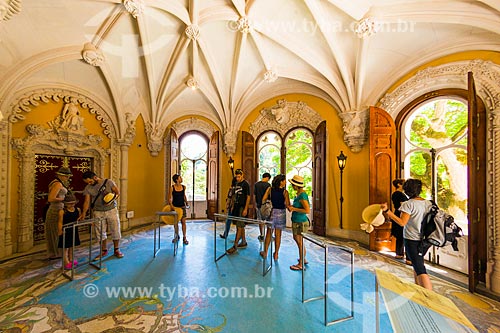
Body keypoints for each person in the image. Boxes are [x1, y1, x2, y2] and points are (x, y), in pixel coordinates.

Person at [381, 178, 433, 290]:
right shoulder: (428, 203)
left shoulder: (408, 204)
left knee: (419, 268)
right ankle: (419, 290)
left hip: (412, 239)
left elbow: (402, 222)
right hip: (425, 239)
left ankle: (429, 296)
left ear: (407, 190)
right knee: (416, 264)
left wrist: (387, 212)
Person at [79, 171, 124, 260]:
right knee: (100, 232)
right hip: (98, 211)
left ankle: (116, 249)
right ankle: (104, 250)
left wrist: (111, 200)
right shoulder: (88, 188)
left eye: (90, 181)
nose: (89, 184)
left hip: (111, 210)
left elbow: (117, 193)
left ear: (95, 177)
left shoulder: (109, 182)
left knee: (115, 229)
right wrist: (83, 213)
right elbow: (87, 201)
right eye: (87, 182)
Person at [259, 174, 290, 261]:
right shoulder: (285, 192)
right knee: (278, 235)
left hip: (272, 212)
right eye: (284, 180)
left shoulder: (270, 189)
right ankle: (276, 254)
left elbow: (263, 200)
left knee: (269, 233)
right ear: (281, 182)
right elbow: (287, 204)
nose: (285, 182)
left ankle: (265, 252)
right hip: (281, 213)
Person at [45, 166, 72, 260]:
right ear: (61, 175)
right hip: (55, 210)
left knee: (56, 231)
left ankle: (57, 252)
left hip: (58, 209)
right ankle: (55, 253)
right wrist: (64, 199)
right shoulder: (57, 184)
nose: (68, 178)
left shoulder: (57, 182)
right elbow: (51, 198)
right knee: (56, 232)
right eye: (66, 176)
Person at [288, 175, 310, 271]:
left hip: (300, 222)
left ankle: (301, 264)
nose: (292, 186)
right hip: (297, 220)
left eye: (293, 184)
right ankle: (303, 258)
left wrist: (293, 208)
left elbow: (307, 210)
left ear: (296, 185)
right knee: (298, 240)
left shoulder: (302, 195)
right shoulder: (299, 194)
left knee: (299, 241)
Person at [226, 169, 251, 254]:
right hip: (236, 207)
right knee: (240, 225)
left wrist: (246, 208)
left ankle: (235, 246)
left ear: (242, 175)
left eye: (239, 176)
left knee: (239, 227)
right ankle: (243, 241)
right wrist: (232, 205)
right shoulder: (236, 184)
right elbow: (234, 195)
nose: (237, 178)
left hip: (242, 207)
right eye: (236, 177)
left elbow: (248, 197)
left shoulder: (245, 184)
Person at [57, 192, 81, 270]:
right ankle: (66, 261)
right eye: (70, 203)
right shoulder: (62, 211)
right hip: (66, 231)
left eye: (73, 203)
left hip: (74, 230)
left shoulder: (77, 209)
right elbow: (60, 222)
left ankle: (71, 259)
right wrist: (60, 230)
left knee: (72, 246)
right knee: (65, 247)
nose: (72, 205)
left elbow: (79, 219)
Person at [391, 179, 409, 262]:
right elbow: (403, 205)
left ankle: (399, 253)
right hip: (401, 214)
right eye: (403, 184)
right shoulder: (399, 194)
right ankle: (400, 253)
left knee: (400, 235)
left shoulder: (396, 194)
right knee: (401, 234)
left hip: (397, 213)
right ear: (399, 184)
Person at [169, 174, 189, 245]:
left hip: (182, 207)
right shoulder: (172, 188)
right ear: (177, 179)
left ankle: (184, 237)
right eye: (180, 177)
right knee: (176, 223)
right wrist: (171, 206)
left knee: (183, 222)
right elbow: (170, 198)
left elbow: (184, 196)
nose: (181, 178)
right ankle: (176, 236)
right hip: (175, 208)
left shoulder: (183, 187)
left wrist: (186, 202)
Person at [254, 172, 272, 241]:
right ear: (267, 178)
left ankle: (262, 234)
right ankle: (268, 235)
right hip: (266, 205)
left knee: (260, 220)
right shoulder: (268, 185)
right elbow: (269, 196)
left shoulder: (256, 184)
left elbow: (255, 195)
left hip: (258, 204)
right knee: (268, 220)